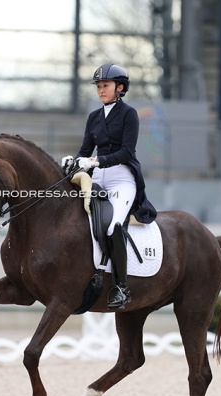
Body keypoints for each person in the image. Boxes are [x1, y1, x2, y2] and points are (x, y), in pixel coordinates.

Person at [62, 63, 157, 309]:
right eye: (99, 86)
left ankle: (121, 286)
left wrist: (95, 160)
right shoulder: (94, 117)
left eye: (105, 85)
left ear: (120, 87)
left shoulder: (129, 114)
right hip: (97, 176)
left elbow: (127, 152)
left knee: (114, 224)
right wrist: (73, 160)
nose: (101, 90)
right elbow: (84, 150)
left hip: (122, 177)